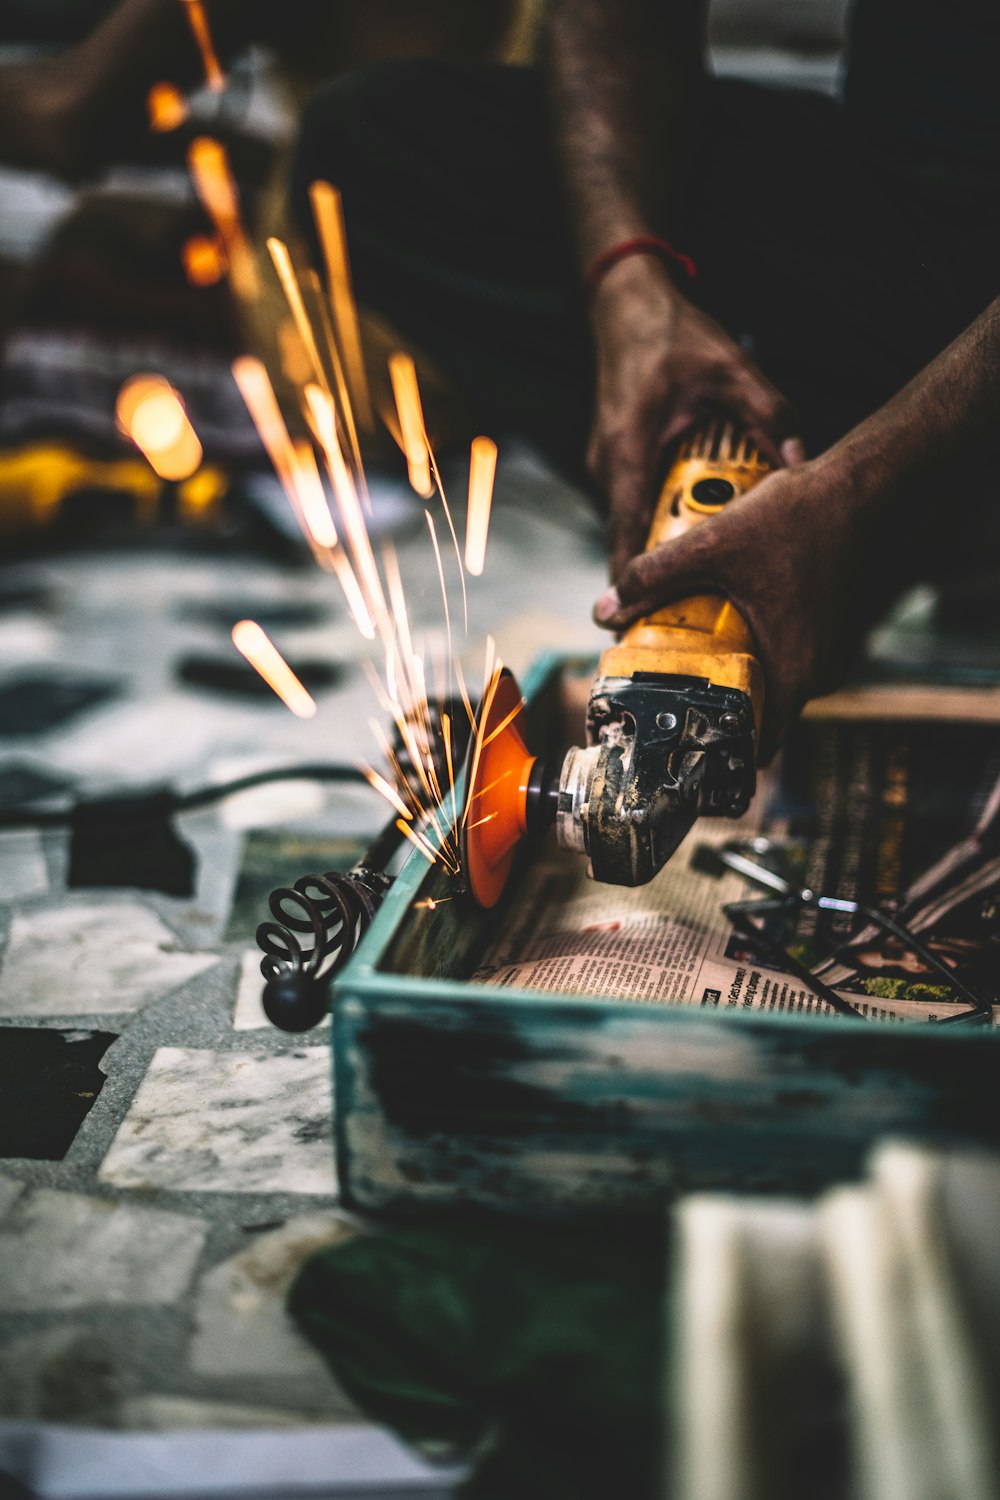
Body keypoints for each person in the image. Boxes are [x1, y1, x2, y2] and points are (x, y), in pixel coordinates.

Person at [291, 0, 1000, 756]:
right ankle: (750, 546)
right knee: (373, 146)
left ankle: (864, 526)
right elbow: (617, 18)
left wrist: (867, 478)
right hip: (908, 212)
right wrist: (626, 280)